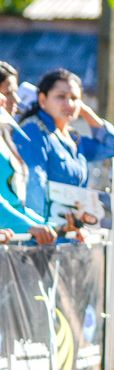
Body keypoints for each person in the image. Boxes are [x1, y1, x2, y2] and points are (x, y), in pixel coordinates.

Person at [15, 68, 114, 218]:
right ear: (42, 100)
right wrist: (43, 228)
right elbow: (34, 186)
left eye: (74, 98)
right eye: (61, 97)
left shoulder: (73, 138)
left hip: (70, 231)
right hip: (46, 234)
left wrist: (85, 111)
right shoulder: (32, 131)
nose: (69, 103)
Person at [0, 74, 57, 244]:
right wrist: (28, 226)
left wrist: (54, 227)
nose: (12, 99)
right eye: (7, 92)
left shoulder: (5, 137)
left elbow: (15, 203)